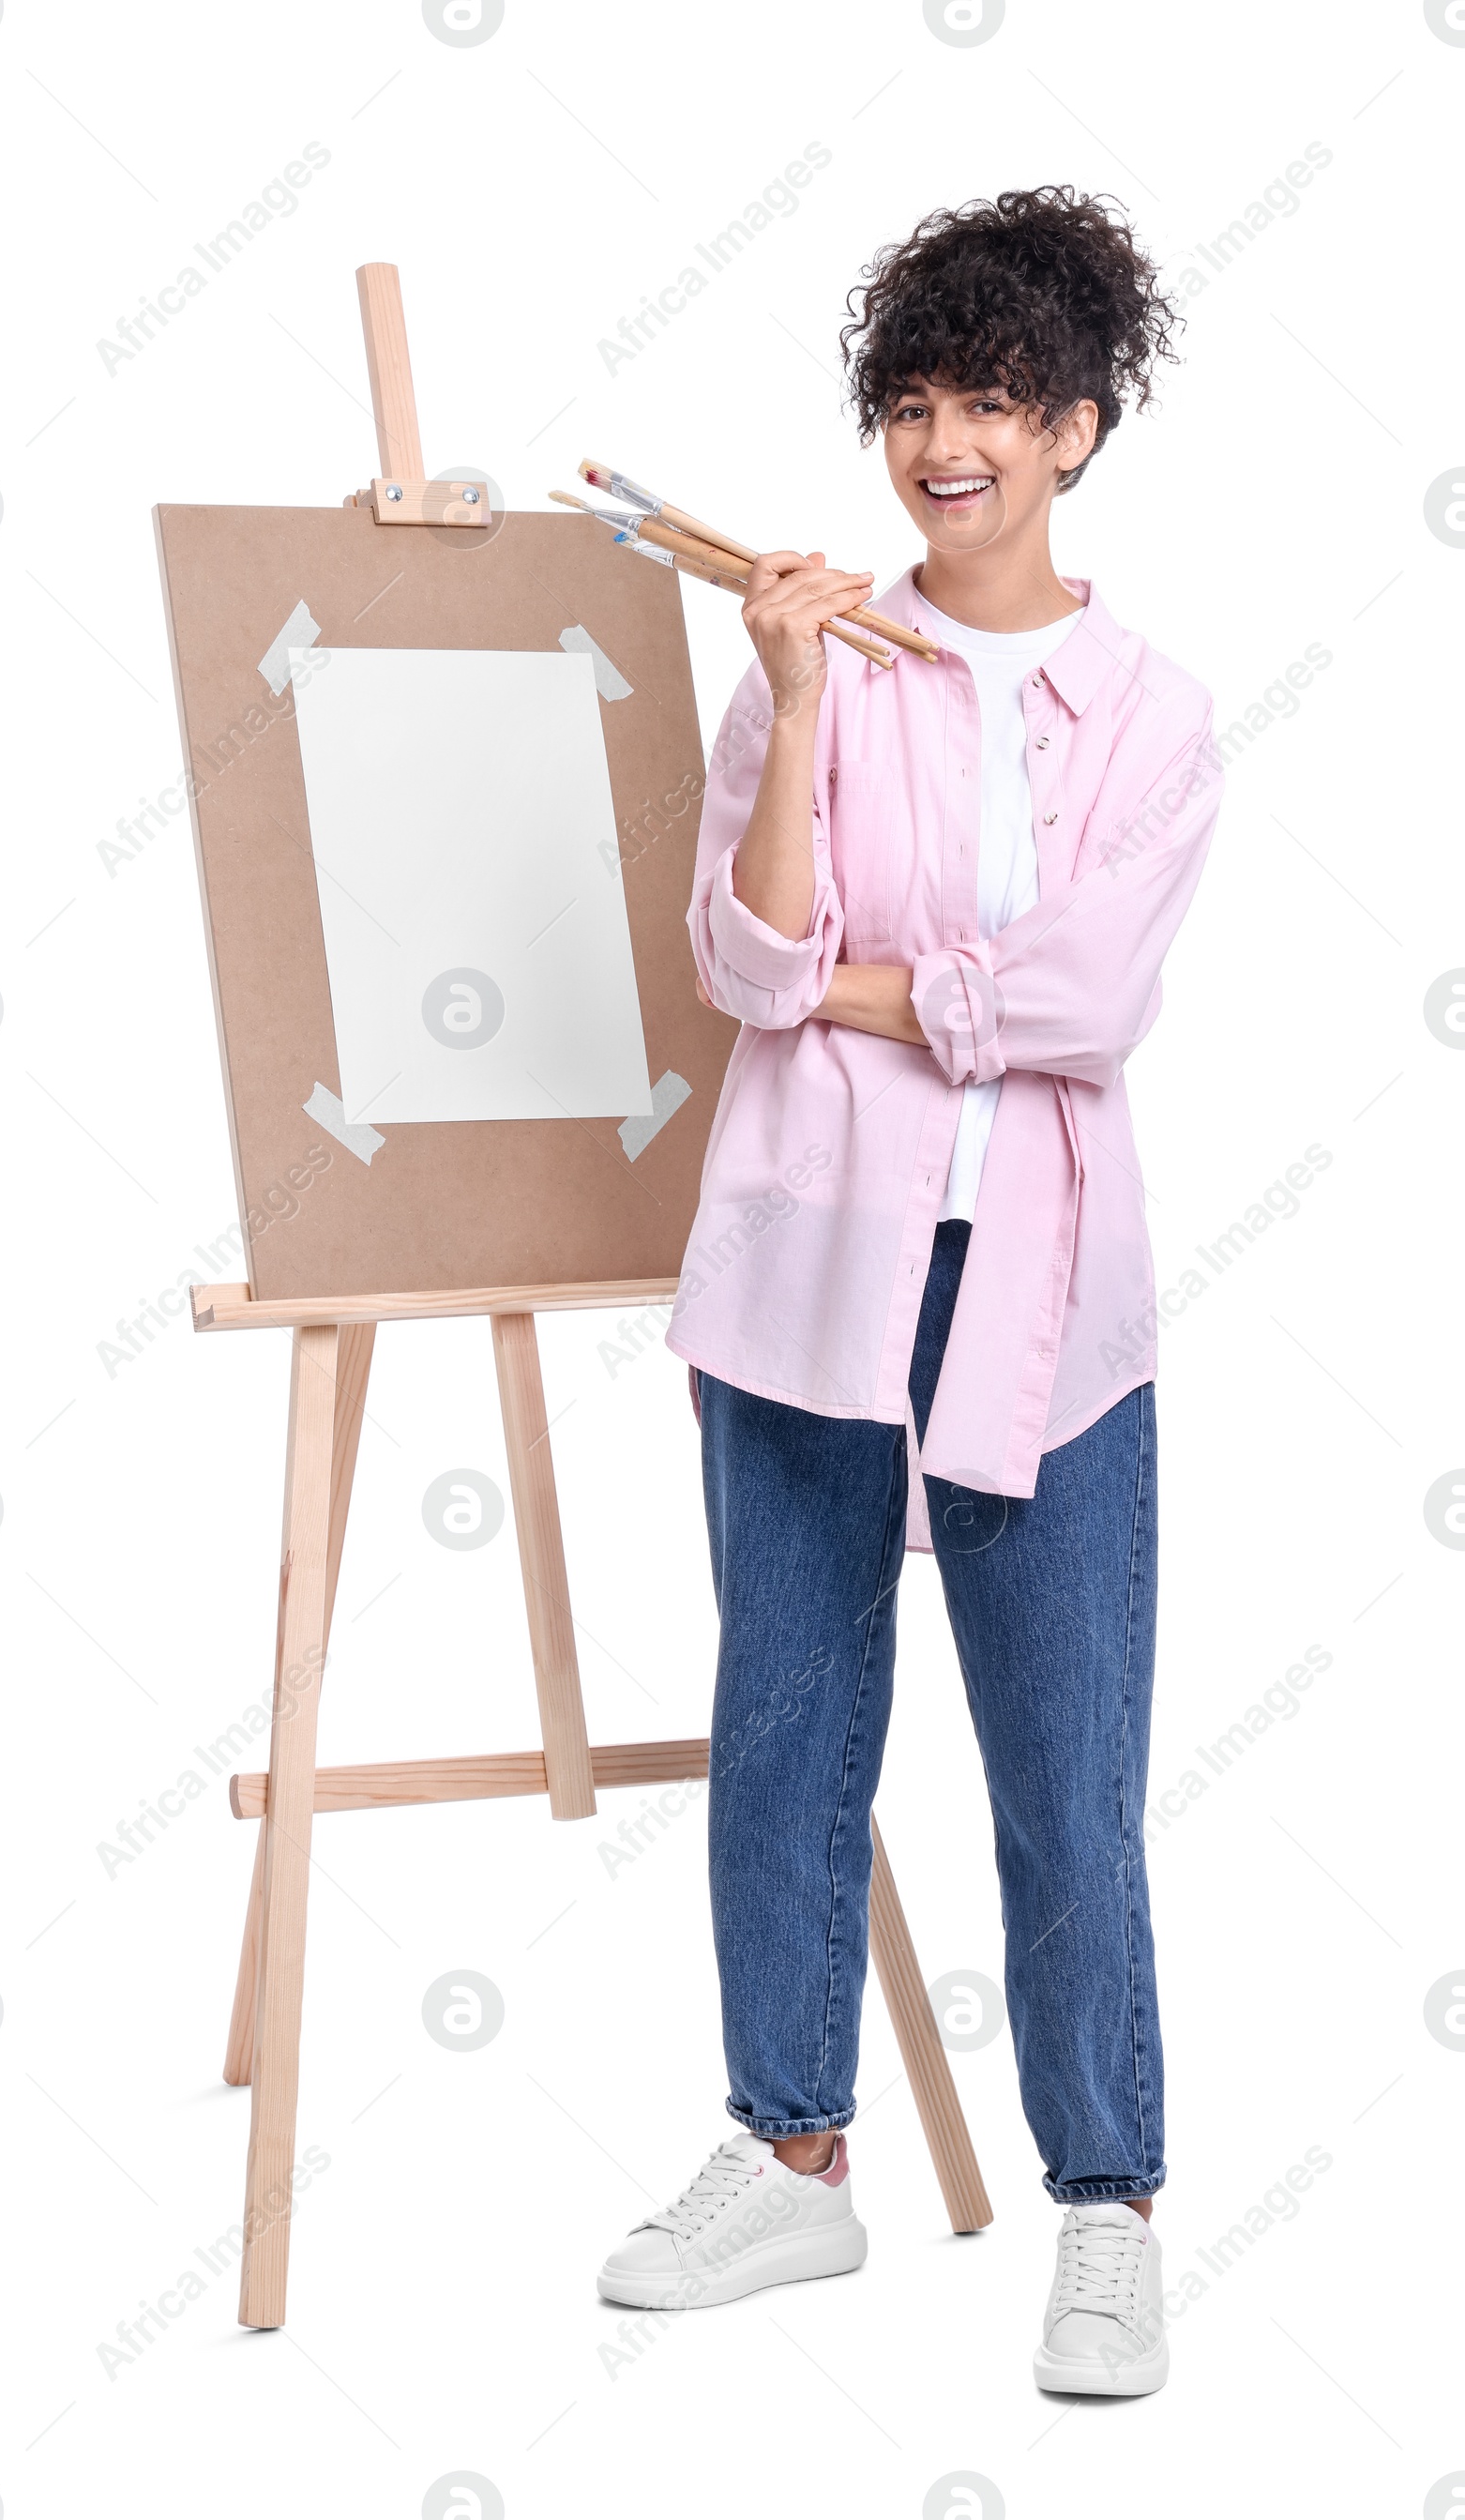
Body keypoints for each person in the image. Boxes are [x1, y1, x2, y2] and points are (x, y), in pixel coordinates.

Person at [597, 187, 1223, 2396]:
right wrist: (774, 691)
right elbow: (741, 963)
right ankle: (787, 2149)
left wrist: (865, 993)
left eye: (984, 404)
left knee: (1064, 1765)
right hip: (799, 1276)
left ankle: (1104, 2201)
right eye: (907, 404)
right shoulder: (819, 663)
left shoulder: (1147, 711)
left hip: (1045, 1301)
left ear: (1070, 427)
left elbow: (1081, 1004)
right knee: (783, 1724)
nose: (937, 443)